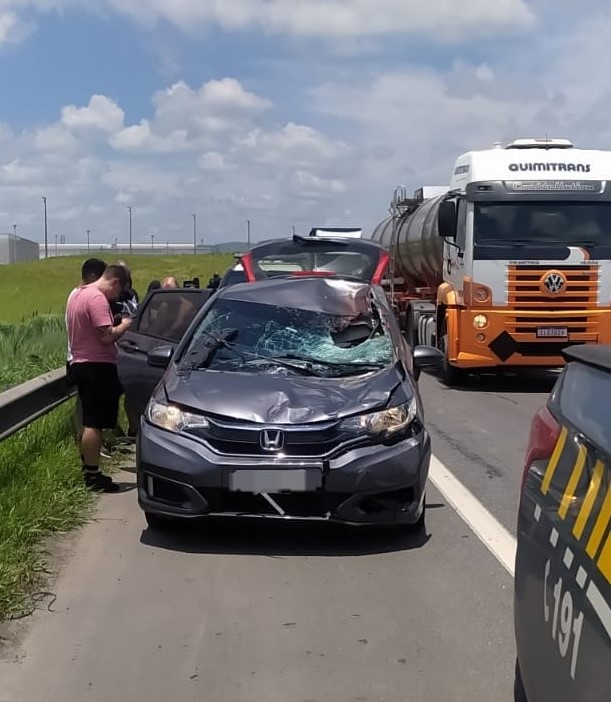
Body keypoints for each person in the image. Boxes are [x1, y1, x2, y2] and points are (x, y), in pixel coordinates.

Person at [66, 265, 132, 492]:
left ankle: (89, 470)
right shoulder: (96, 299)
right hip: (97, 366)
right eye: (119, 291)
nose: (117, 296)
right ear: (114, 282)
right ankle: (93, 477)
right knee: (95, 424)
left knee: (88, 421)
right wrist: (124, 325)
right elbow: (106, 336)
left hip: (80, 362)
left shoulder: (77, 294)